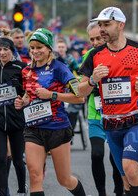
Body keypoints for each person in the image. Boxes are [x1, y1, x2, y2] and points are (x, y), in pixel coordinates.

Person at [78, 7, 138, 196]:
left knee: (131, 169)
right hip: (111, 123)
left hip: (137, 119)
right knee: (126, 180)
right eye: (100, 25)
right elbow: (81, 91)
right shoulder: (95, 55)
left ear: (120, 25)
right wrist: (93, 79)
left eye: (106, 25)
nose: (102, 29)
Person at [14, 28, 86, 196]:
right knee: (34, 176)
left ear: (48, 48)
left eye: (39, 47)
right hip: (33, 128)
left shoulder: (60, 68)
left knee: (64, 179)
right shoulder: (27, 71)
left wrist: (53, 95)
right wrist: (23, 101)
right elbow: (28, 95)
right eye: (32, 48)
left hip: (57, 128)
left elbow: (80, 97)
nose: (35, 51)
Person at [81, 22, 123, 196]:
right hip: (96, 114)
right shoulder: (89, 57)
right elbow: (82, 89)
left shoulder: (118, 54)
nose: (95, 42)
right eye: (91, 39)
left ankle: (119, 191)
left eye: (98, 38)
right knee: (97, 155)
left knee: (115, 159)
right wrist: (93, 79)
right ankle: (102, 193)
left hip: (117, 116)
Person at [0, 34, 27, 196]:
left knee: (17, 161)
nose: (2, 53)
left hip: (16, 121)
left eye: (5, 49)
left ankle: (22, 189)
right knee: (1, 159)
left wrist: (20, 88)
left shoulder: (20, 67)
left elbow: (29, 92)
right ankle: (3, 193)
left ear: (11, 51)